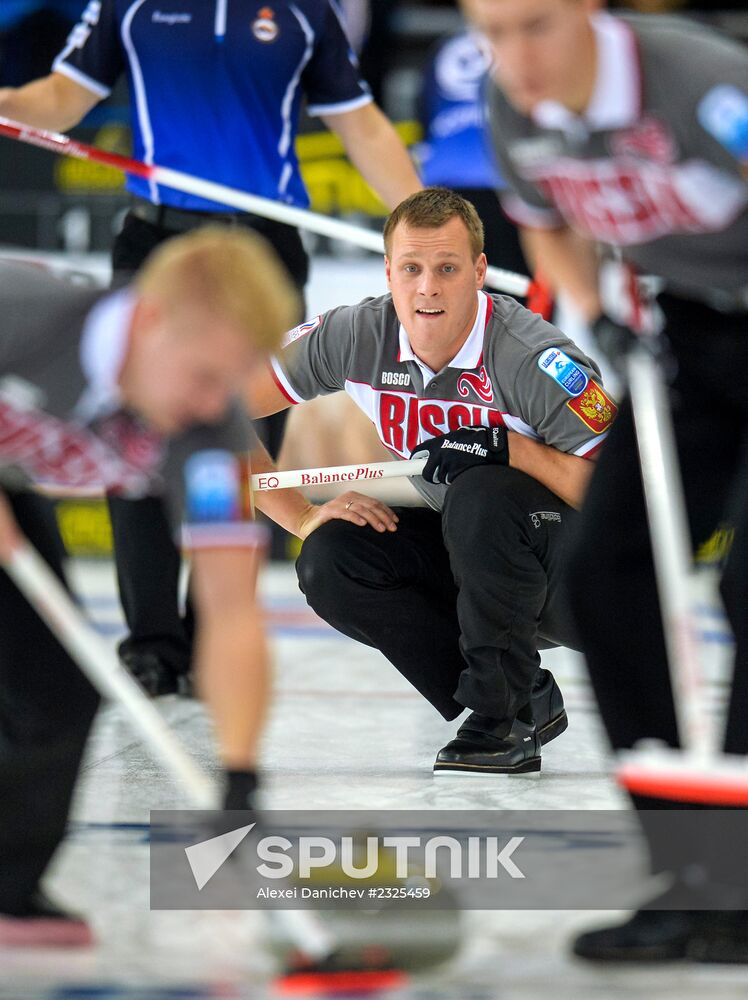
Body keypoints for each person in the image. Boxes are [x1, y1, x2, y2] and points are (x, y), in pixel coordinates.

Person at [0, 0, 423, 696]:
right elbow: (63, 97)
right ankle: (152, 646)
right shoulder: (128, 5)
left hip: (262, 248)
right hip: (160, 239)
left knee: (242, 436)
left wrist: (424, 220)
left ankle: (213, 636)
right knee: (131, 433)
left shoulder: (304, 11)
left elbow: (363, 125)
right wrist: (10, 104)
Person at [462, 0, 748, 961]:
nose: (514, 56)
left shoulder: (704, 84)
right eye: (490, 32)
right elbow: (545, 225)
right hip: (691, 333)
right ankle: (693, 870)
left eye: (534, 25)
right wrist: (596, 313)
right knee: (603, 578)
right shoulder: (516, 108)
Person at [245, 187, 618, 775]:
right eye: (412, 269)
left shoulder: (532, 359)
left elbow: (625, 498)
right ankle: (525, 700)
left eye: (447, 268)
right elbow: (207, 408)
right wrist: (301, 517)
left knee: (481, 489)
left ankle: (502, 716)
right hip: (476, 563)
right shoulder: (354, 337)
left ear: (479, 271)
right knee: (330, 557)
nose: (428, 288)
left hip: (574, 580)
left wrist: (512, 449)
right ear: (388, 272)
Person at [0, 226, 297, 945]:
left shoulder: (210, 435)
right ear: (150, 321)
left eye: (229, 385)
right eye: (203, 377)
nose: (211, 406)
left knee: (58, 688)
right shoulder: (20, 312)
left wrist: (239, 776)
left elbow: (231, 611)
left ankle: (8, 892)